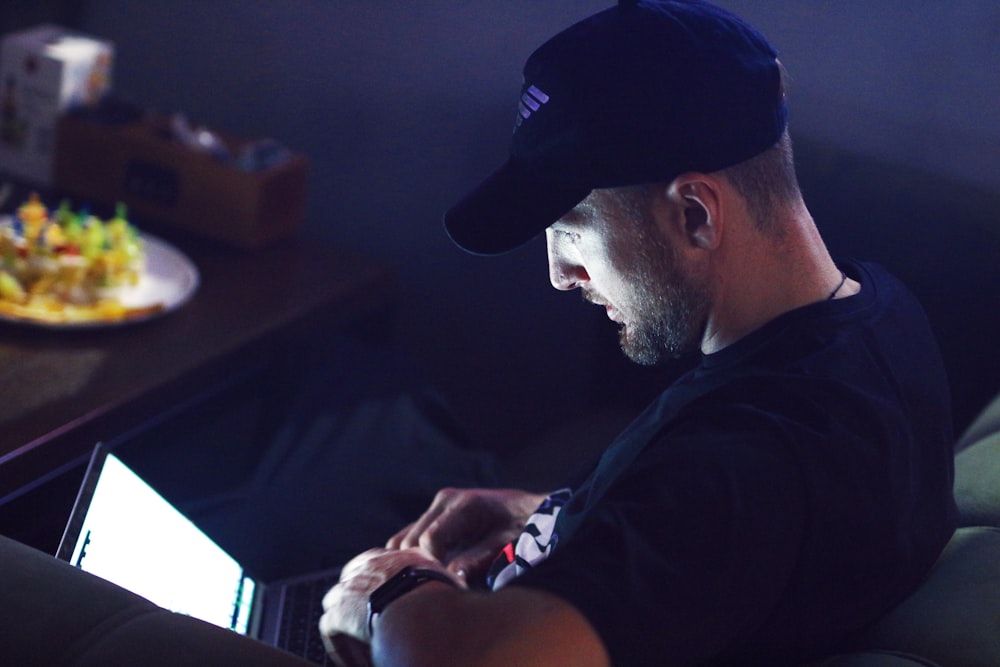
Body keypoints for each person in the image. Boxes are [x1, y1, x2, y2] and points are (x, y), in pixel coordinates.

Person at [318, 1, 957, 665]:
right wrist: (565, 515)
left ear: (695, 214)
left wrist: (387, 591)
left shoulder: (742, 463)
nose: (560, 274)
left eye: (572, 227)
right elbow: (728, 554)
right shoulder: (881, 314)